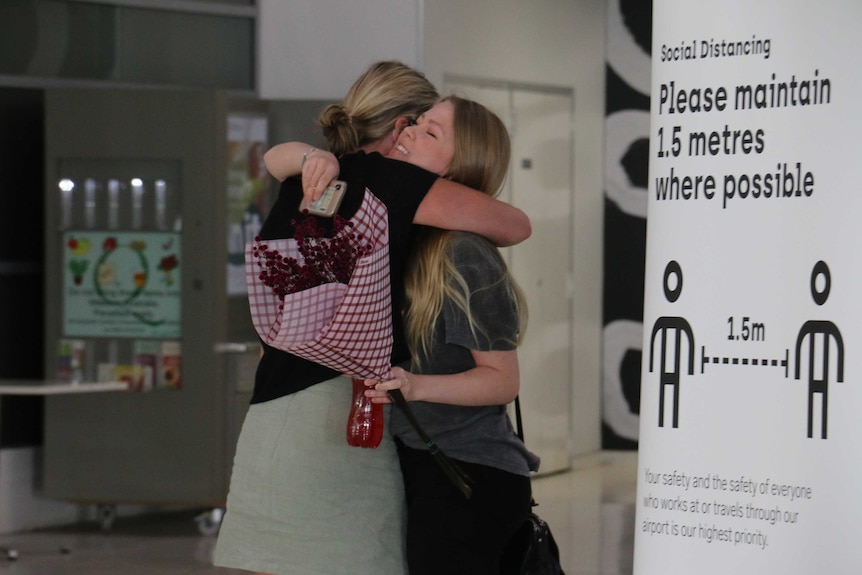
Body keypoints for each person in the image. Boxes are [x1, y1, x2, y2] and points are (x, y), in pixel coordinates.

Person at [213, 62, 530, 575]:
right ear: (401, 125)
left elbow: (274, 158)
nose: (418, 136)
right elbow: (514, 224)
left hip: (273, 413)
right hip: (333, 416)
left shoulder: (309, 175)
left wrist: (308, 154)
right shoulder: (388, 181)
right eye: (421, 123)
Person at [364, 96, 541, 574]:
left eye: (432, 132)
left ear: (460, 167)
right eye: (419, 121)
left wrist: (415, 385)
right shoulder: (400, 238)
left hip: (468, 473)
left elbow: (502, 379)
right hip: (419, 464)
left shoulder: (463, 252)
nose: (410, 131)